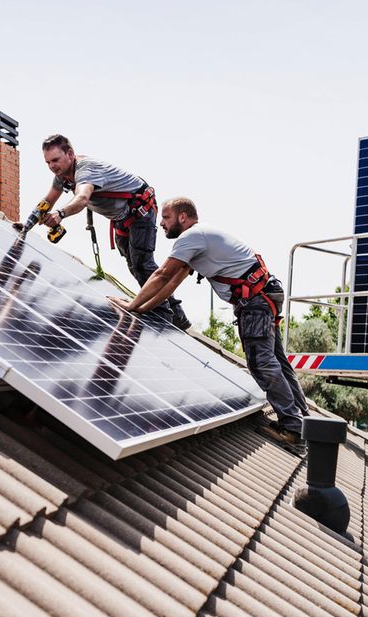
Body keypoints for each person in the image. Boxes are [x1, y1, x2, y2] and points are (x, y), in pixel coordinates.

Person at [109, 197, 309, 445]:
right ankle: (305, 422)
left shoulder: (191, 237)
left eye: (166, 217)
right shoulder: (201, 237)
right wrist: (141, 308)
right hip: (263, 295)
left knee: (261, 363)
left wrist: (131, 305)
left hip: (255, 302)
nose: (161, 223)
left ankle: (292, 428)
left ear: (183, 217)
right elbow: (172, 282)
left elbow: (161, 275)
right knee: (277, 361)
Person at [37, 134, 190, 330]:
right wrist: (28, 224)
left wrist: (60, 214)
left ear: (70, 154)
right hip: (122, 218)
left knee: (142, 262)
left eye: (55, 160)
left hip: (140, 210)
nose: (52, 166)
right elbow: (47, 201)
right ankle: (177, 315)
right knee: (135, 266)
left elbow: (82, 198)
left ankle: (162, 315)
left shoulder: (86, 170)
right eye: (48, 162)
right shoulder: (61, 177)